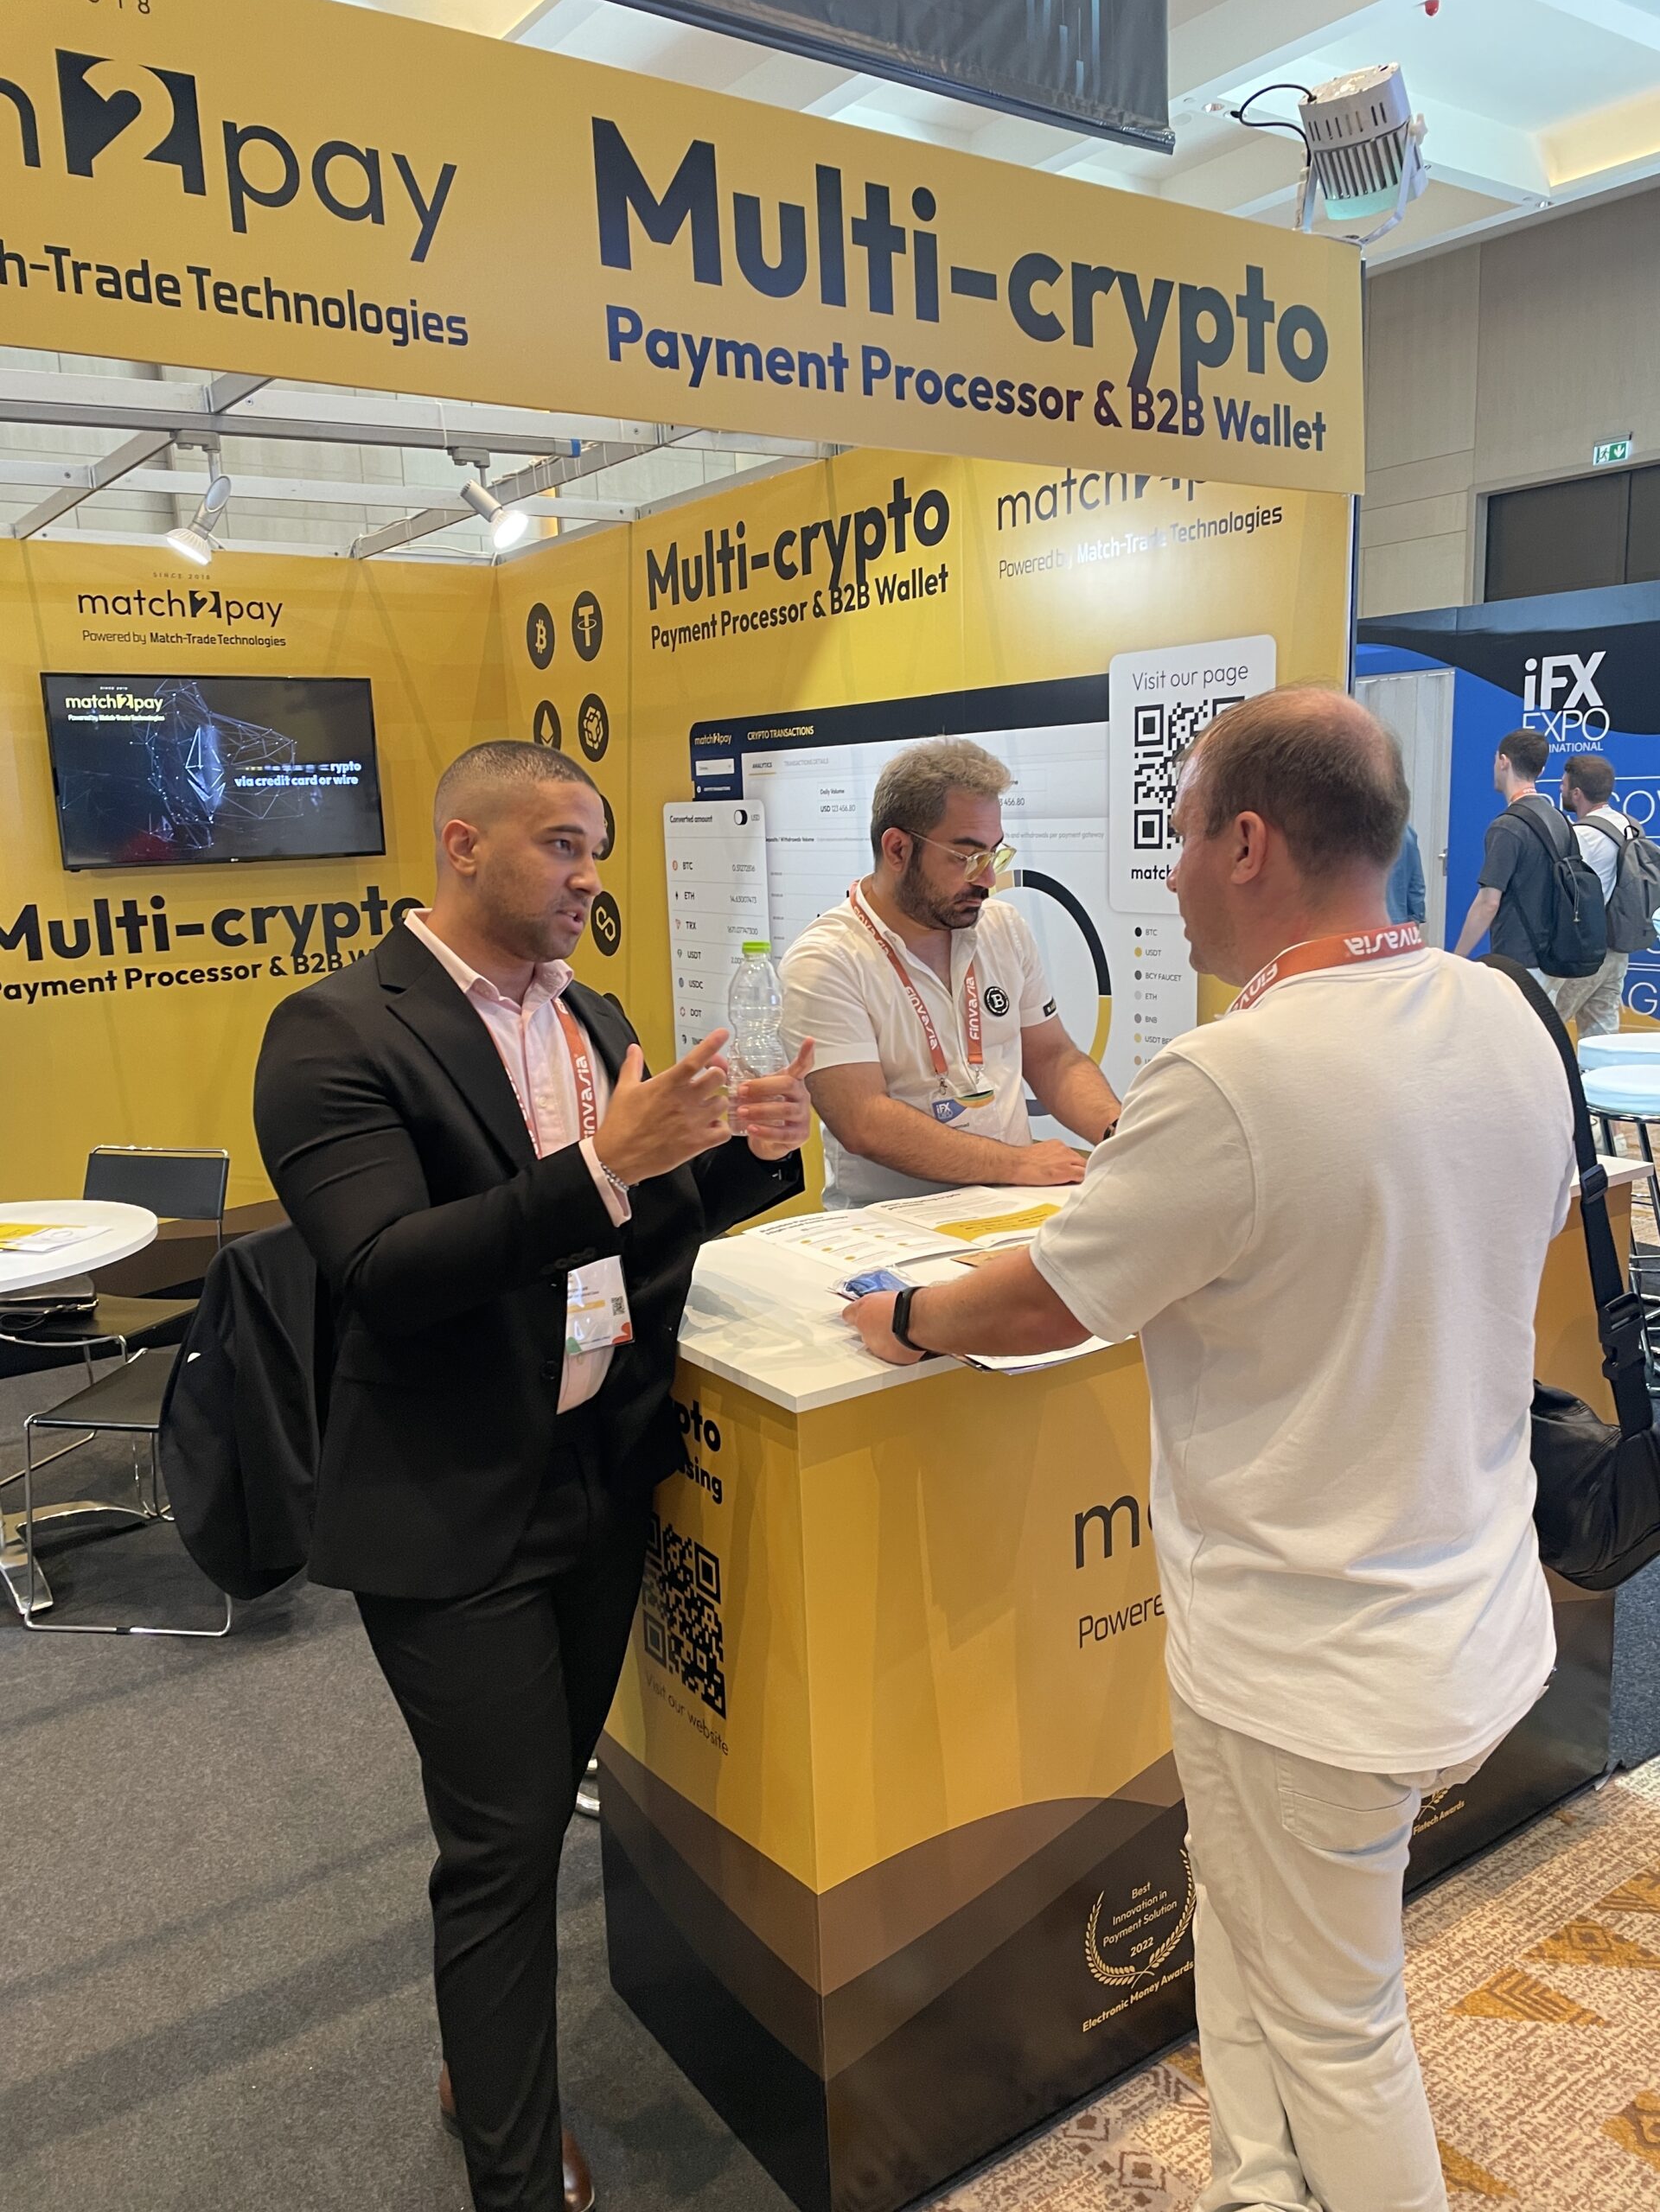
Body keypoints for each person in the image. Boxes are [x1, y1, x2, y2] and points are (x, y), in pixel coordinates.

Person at [847, 689, 1570, 2212]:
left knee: (1339, 2023)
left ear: (1248, 844)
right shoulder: (1505, 1013)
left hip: (1316, 1658)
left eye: (1178, 838)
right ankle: (1258, 2185)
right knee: (1238, 1915)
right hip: (1450, 1611)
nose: (1169, 874)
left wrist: (906, 1316)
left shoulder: (1236, 1076)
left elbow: (1046, 1300)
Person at [253, 742, 812, 2212]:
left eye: (595, 849)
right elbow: (386, 1270)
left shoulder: (590, 1014)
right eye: (563, 843)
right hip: (452, 1503)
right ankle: (511, 2172)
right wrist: (605, 1169)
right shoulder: (334, 1031)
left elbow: (639, 1227)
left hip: (603, 1472)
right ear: (464, 845)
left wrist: (745, 1156)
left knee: (544, 1793)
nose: (589, 876)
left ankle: (475, 2062)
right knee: (501, 1846)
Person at [779, 737, 1119, 1207]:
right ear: (897, 849)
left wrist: (1120, 1134)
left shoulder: (1003, 929)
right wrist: (1016, 1164)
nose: (987, 879)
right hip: (892, 1226)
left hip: (1011, 1210)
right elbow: (864, 1121)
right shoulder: (826, 960)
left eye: (995, 855)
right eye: (967, 857)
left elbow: (1053, 1058)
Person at [1450, 729, 1574, 980]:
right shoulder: (1560, 820)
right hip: (1554, 957)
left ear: (1503, 761)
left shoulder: (1507, 826)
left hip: (1517, 960)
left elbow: (1488, 903)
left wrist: (1456, 959)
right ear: (1540, 771)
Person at [1557, 751, 1631, 1036]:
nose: (1560, 788)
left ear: (1577, 793)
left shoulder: (1581, 835)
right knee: (1601, 1037)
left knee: (1544, 1025)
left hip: (1586, 951)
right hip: (1618, 947)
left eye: (1564, 784)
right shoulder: (1629, 825)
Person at [1386, 818, 1427, 927]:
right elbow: (1416, 883)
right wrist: (1416, 918)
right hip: (1397, 924)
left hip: (1355, 926)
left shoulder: (1351, 830)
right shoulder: (1406, 831)